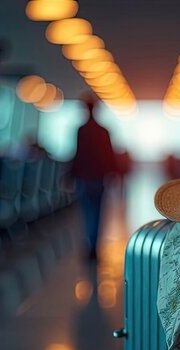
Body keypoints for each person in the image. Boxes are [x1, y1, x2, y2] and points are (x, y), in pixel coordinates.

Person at [72, 92, 116, 259]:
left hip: (83, 178)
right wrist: (114, 175)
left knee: (86, 212)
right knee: (98, 212)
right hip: (98, 178)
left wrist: (70, 175)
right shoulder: (103, 131)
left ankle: (89, 242)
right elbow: (109, 155)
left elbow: (77, 154)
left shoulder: (81, 130)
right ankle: (94, 244)